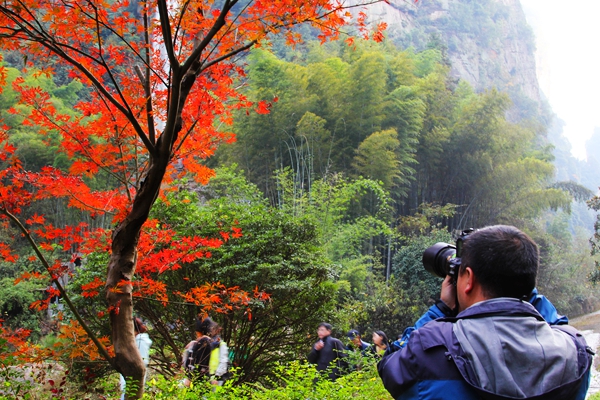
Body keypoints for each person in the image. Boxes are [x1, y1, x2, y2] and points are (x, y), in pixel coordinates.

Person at [378, 225, 593, 400]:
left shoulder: (428, 351)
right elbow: (558, 326)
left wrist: (442, 308)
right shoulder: (576, 354)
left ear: (469, 279)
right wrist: (521, 288)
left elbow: (390, 365)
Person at [120, 317, 152, 399]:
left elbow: (142, 362)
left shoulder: (141, 341)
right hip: (128, 379)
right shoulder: (133, 341)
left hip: (134, 379)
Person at [181, 317, 219, 386]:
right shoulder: (215, 345)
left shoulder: (194, 344)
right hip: (209, 381)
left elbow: (186, 364)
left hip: (192, 381)